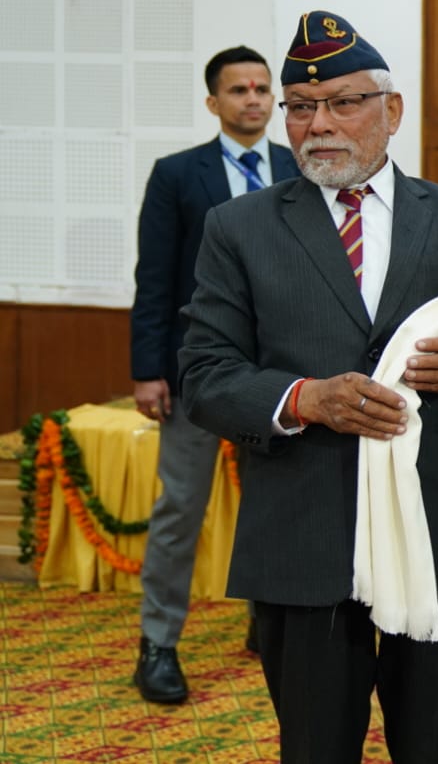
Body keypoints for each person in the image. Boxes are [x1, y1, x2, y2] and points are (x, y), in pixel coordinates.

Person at [178, 12, 438, 764]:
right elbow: (204, 374)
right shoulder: (238, 228)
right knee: (314, 748)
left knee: (431, 747)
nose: (319, 125)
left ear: (391, 111)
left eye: (343, 103)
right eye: (301, 108)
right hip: (305, 538)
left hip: (435, 534)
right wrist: (305, 399)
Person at [129, 45, 298, 704]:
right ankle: (158, 642)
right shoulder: (177, 175)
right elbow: (154, 278)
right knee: (181, 508)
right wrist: (149, 370)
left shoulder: (297, 165)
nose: (253, 99)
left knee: (275, 501)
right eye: (238, 89)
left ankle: (268, 616)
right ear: (213, 102)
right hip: (198, 370)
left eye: (261, 88)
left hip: (279, 375)